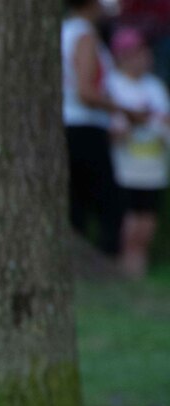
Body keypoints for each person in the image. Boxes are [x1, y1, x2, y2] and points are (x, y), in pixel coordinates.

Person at [64, 0, 146, 258]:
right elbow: (86, 92)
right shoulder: (85, 36)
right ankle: (105, 264)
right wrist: (125, 111)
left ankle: (77, 264)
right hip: (85, 127)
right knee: (110, 206)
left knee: (76, 203)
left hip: (67, 125)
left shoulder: (63, 31)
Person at [107, 26, 170, 279]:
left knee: (147, 224)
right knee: (128, 224)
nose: (144, 58)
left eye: (145, 52)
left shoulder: (155, 86)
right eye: (137, 53)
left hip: (153, 166)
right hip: (124, 166)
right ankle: (122, 274)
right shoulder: (112, 84)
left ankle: (138, 276)